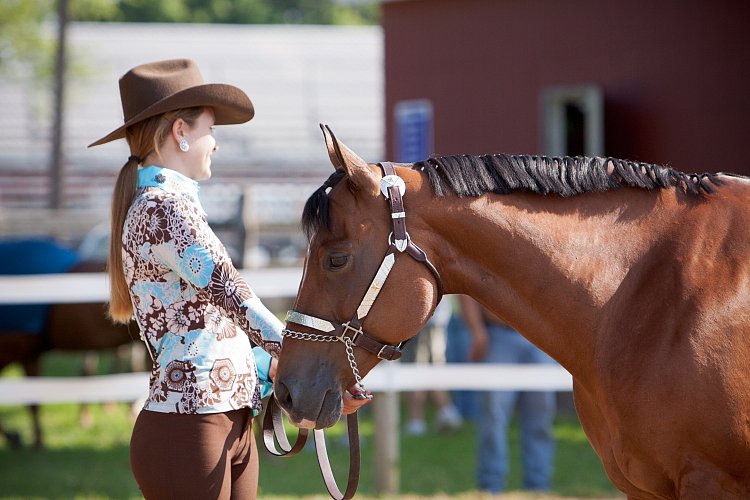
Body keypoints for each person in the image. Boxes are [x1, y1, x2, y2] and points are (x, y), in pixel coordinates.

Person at [90, 58, 369, 499]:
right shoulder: (162, 209)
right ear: (181, 132)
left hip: (224, 418)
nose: (215, 144)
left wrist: (296, 375)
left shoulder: (172, 206)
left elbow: (218, 329)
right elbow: (233, 296)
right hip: (191, 423)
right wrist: (308, 360)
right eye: (210, 130)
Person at [459, 295, 556, 493]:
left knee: (541, 416)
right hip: (497, 336)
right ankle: (490, 487)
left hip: (540, 338)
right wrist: (477, 331)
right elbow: (467, 292)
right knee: (493, 417)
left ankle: (538, 487)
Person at [401, 298, 463, 435]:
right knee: (431, 367)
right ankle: (446, 411)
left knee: (417, 370)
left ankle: (416, 420)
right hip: (433, 318)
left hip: (422, 319)